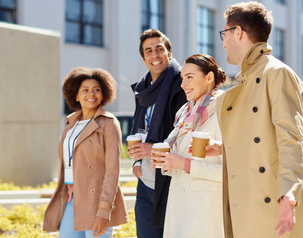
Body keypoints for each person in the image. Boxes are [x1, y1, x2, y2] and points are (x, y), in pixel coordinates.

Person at [210, 1, 303, 238]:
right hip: (246, 200)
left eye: (225, 33)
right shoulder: (246, 79)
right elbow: (256, 140)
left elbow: (290, 139)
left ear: (238, 32)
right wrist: (222, 148)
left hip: (268, 203)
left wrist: (288, 193)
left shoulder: (276, 73)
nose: (223, 42)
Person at [43, 67, 128, 238]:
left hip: (96, 200)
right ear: (76, 95)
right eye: (85, 90)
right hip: (71, 198)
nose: (92, 94)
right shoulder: (70, 125)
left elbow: (113, 171)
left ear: (104, 94)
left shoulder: (109, 124)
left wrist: (104, 211)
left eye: (97, 90)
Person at [151, 54, 226, 238]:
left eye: (190, 77)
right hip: (179, 205)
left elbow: (231, 172)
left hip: (205, 210)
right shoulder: (185, 111)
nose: (183, 84)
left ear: (209, 77)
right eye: (182, 78)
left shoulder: (225, 110)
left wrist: (184, 164)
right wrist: (166, 162)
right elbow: (179, 156)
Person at [128, 29, 187, 238]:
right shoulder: (142, 90)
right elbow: (138, 128)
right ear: (144, 58)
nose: (155, 55)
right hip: (145, 183)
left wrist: (151, 148)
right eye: (148, 51)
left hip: (171, 183)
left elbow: (186, 139)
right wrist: (136, 164)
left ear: (169, 53)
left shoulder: (183, 86)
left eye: (159, 49)